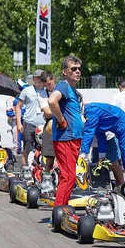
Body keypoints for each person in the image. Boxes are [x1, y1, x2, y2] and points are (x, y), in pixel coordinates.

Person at [48, 55, 84, 209]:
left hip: (73, 138)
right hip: (66, 138)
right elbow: (52, 101)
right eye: (73, 69)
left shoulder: (72, 89)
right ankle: (59, 212)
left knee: (69, 176)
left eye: (79, 68)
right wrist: (62, 121)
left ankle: (62, 210)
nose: (77, 71)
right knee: (68, 176)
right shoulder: (63, 86)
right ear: (65, 72)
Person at [79, 103, 125, 182]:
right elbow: (101, 136)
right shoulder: (91, 113)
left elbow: (89, 132)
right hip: (122, 129)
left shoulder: (92, 111)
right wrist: (102, 156)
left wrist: (83, 153)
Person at [16, 70, 48, 168]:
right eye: (37, 77)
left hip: (44, 125)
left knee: (45, 149)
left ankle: (42, 170)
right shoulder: (27, 91)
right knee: (27, 148)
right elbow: (18, 106)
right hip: (30, 123)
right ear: (33, 79)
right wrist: (19, 123)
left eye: (41, 77)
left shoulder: (48, 91)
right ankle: (25, 169)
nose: (39, 79)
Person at [38, 71, 56, 173]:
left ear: (53, 79)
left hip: (65, 125)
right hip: (50, 126)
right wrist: (59, 110)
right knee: (49, 160)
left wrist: (51, 110)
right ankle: (47, 180)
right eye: (45, 85)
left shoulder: (62, 90)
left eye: (49, 84)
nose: (48, 87)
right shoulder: (41, 95)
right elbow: (47, 112)